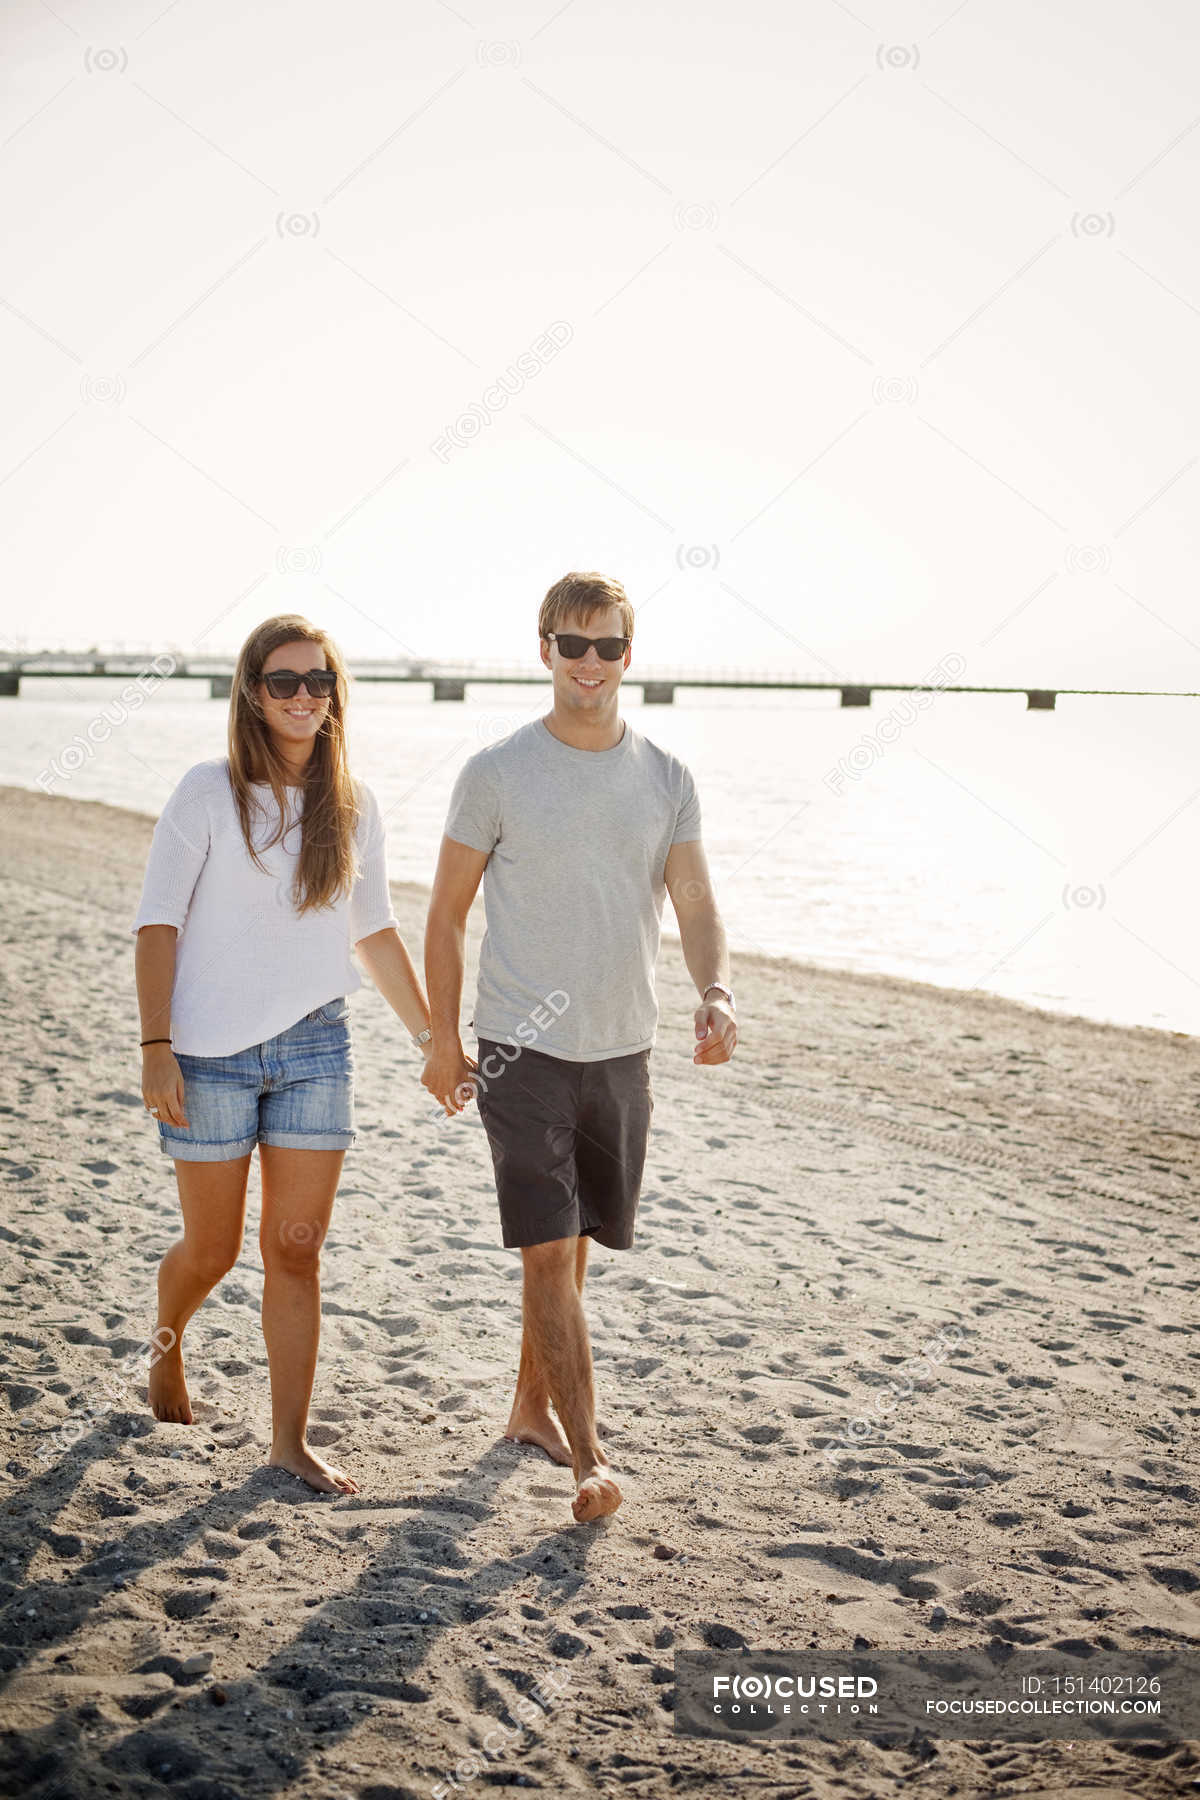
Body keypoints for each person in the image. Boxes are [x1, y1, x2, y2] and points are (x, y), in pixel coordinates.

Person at [422, 572, 738, 1523]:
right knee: (550, 1251)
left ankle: (529, 1408)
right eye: (572, 644)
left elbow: (694, 904)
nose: (589, 663)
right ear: (545, 651)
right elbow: (442, 917)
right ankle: (590, 1461)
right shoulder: (498, 772)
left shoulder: (666, 777)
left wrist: (715, 989)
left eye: (607, 646)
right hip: (521, 1047)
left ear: (629, 656)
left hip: (622, 1049)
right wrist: (442, 1037)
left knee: (574, 1245)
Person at [132, 614, 434, 1495]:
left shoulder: (355, 804)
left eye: (319, 680)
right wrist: (156, 1048)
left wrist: (430, 1040)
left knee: (296, 1252)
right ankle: (168, 1338)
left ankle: (288, 1441)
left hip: (316, 1049)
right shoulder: (206, 792)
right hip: (208, 1053)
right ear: (252, 695)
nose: (304, 696)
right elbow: (159, 924)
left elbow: (372, 932)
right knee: (213, 1250)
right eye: (284, 681)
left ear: (336, 692)